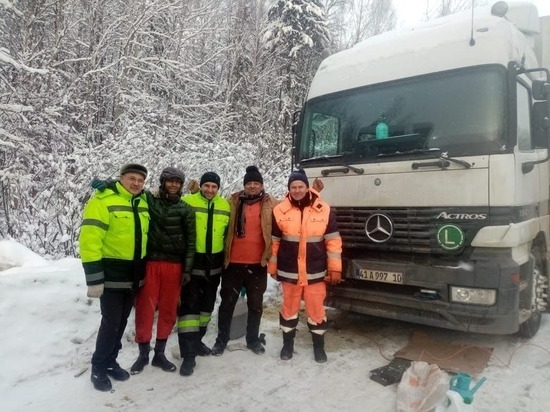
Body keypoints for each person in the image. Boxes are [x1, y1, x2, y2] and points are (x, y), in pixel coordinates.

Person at [79, 163, 150, 392]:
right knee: (110, 323)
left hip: (133, 277)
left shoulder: (143, 202)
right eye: (132, 179)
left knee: (120, 322)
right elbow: (90, 241)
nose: (136, 184)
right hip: (110, 277)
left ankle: (111, 361)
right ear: (121, 178)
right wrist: (94, 278)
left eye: (140, 180)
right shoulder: (102, 201)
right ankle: (98, 367)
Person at [268, 169, 342, 363]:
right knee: (289, 309)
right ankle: (287, 345)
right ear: (289, 189)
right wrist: (272, 266)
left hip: (315, 270)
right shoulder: (279, 210)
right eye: (293, 187)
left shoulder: (323, 208)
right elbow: (274, 242)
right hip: (289, 269)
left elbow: (333, 241)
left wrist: (335, 268)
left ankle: (319, 348)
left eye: (301, 186)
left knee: (316, 310)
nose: (297, 190)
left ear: (307, 187)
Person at [130, 167, 196, 375]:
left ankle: (159, 353)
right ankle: (143, 354)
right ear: (163, 182)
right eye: (170, 181)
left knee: (168, 310)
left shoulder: (186, 210)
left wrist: (187, 269)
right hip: (151, 264)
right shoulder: (150, 200)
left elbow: (191, 242)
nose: (174, 185)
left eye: (178, 181)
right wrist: (108, 185)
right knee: (145, 309)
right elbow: (129, 190)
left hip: (174, 266)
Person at [210, 166, 278, 356]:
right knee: (227, 304)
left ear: (262, 185)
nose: (253, 186)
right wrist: (193, 192)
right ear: (244, 185)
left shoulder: (270, 203)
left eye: (256, 183)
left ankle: (252, 339)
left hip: (258, 264)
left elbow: (293, 205)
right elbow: (211, 204)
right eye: (249, 183)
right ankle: (221, 340)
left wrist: (314, 191)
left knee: (255, 305)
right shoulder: (232, 201)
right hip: (233, 264)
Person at [177, 171, 230, 376]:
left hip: (215, 265)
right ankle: (188, 355)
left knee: (207, 307)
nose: (209, 190)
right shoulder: (187, 201)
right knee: (190, 309)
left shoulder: (225, 206)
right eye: (206, 186)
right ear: (200, 186)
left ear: (218, 188)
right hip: (193, 263)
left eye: (213, 187)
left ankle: (197, 341)